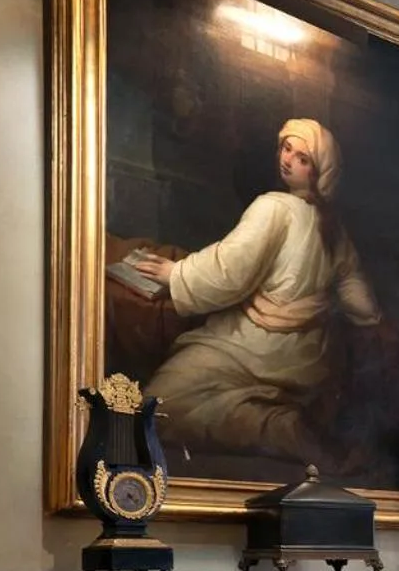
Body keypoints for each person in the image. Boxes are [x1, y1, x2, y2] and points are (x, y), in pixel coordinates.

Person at [134, 118, 381, 466]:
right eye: (287, 148)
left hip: (255, 346)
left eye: (302, 159)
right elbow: (357, 295)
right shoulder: (335, 231)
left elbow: (230, 270)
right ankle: (282, 424)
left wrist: (176, 274)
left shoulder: (275, 208)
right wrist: (372, 320)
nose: (288, 160)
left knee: (159, 405)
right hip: (308, 359)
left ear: (320, 173)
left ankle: (280, 429)